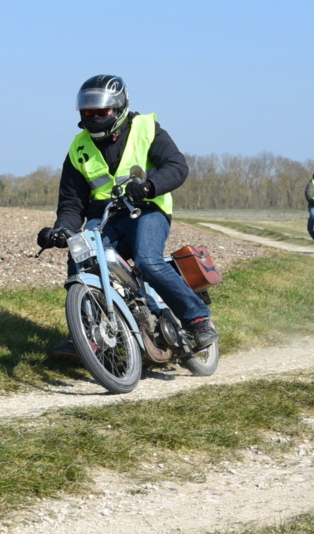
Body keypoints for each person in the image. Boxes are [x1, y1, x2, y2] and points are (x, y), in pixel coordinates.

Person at [37, 74, 218, 357]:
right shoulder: (79, 148)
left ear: (119, 108)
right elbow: (72, 203)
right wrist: (62, 229)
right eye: (88, 112)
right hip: (105, 218)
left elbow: (176, 166)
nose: (94, 117)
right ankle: (86, 335)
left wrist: (148, 186)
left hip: (147, 210)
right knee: (80, 259)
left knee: (147, 260)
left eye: (102, 111)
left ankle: (197, 319)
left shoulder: (146, 128)